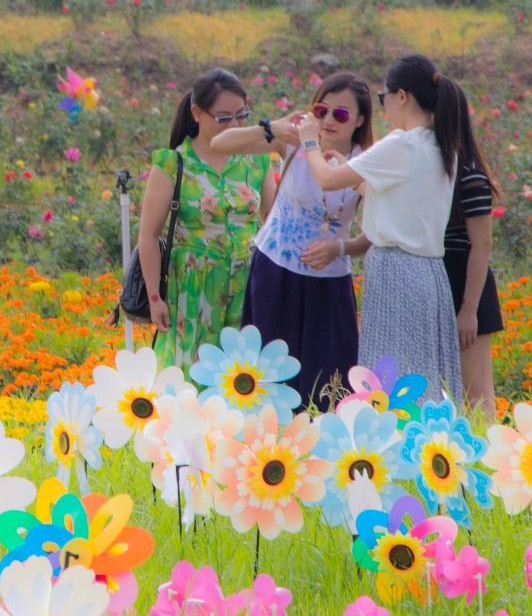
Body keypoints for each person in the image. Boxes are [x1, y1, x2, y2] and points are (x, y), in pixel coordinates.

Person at [294, 54, 468, 404]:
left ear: (402, 96)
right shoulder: (440, 145)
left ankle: (393, 452)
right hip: (429, 273)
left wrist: (310, 140)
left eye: (383, 97)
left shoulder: (401, 143)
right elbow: (397, 202)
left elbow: (327, 180)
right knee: (421, 379)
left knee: (390, 378)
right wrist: (353, 170)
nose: (383, 105)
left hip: (396, 269)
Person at [211, 73, 374, 408]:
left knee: (329, 382)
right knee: (269, 377)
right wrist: (270, 128)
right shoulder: (296, 141)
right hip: (275, 270)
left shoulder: (367, 159)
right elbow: (220, 144)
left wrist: (339, 248)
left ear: (359, 120)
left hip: (328, 279)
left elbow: (380, 232)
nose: (329, 120)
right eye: (321, 110)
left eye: (341, 114)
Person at [137, 68, 271, 369]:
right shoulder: (173, 163)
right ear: (197, 112)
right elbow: (148, 235)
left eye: (241, 115)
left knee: (244, 375)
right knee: (192, 370)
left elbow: (272, 219)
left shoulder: (257, 158)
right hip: (193, 285)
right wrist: (155, 297)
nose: (235, 125)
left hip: (248, 281)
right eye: (223, 118)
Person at [442, 90, 503, 406]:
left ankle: (483, 455)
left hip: (467, 283)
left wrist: (468, 309)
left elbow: (482, 245)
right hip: (441, 279)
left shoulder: (469, 173)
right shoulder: (432, 170)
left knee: (475, 394)